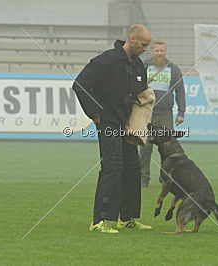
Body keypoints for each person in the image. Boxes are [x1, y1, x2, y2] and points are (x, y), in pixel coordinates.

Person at [72, 24, 153, 233]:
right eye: (143, 44)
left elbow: (138, 93)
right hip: (107, 121)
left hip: (127, 124)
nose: (146, 49)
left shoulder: (138, 66)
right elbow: (80, 84)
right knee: (113, 166)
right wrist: (95, 113)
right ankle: (99, 221)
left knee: (133, 168)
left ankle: (126, 218)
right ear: (132, 38)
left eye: (148, 45)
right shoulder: (106, 60)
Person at [139, 39, 186, 188]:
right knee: (145, 148)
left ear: (165, 52)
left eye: (162, 51)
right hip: (146, 113)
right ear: (152, 52)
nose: (159, 53)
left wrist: (181, 112)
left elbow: (180, 91)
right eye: (157, 50)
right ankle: (143, 179)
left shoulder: (174, 69)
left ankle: (165, 178)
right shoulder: (144, 66)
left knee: (167, 149)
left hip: (165, 114)